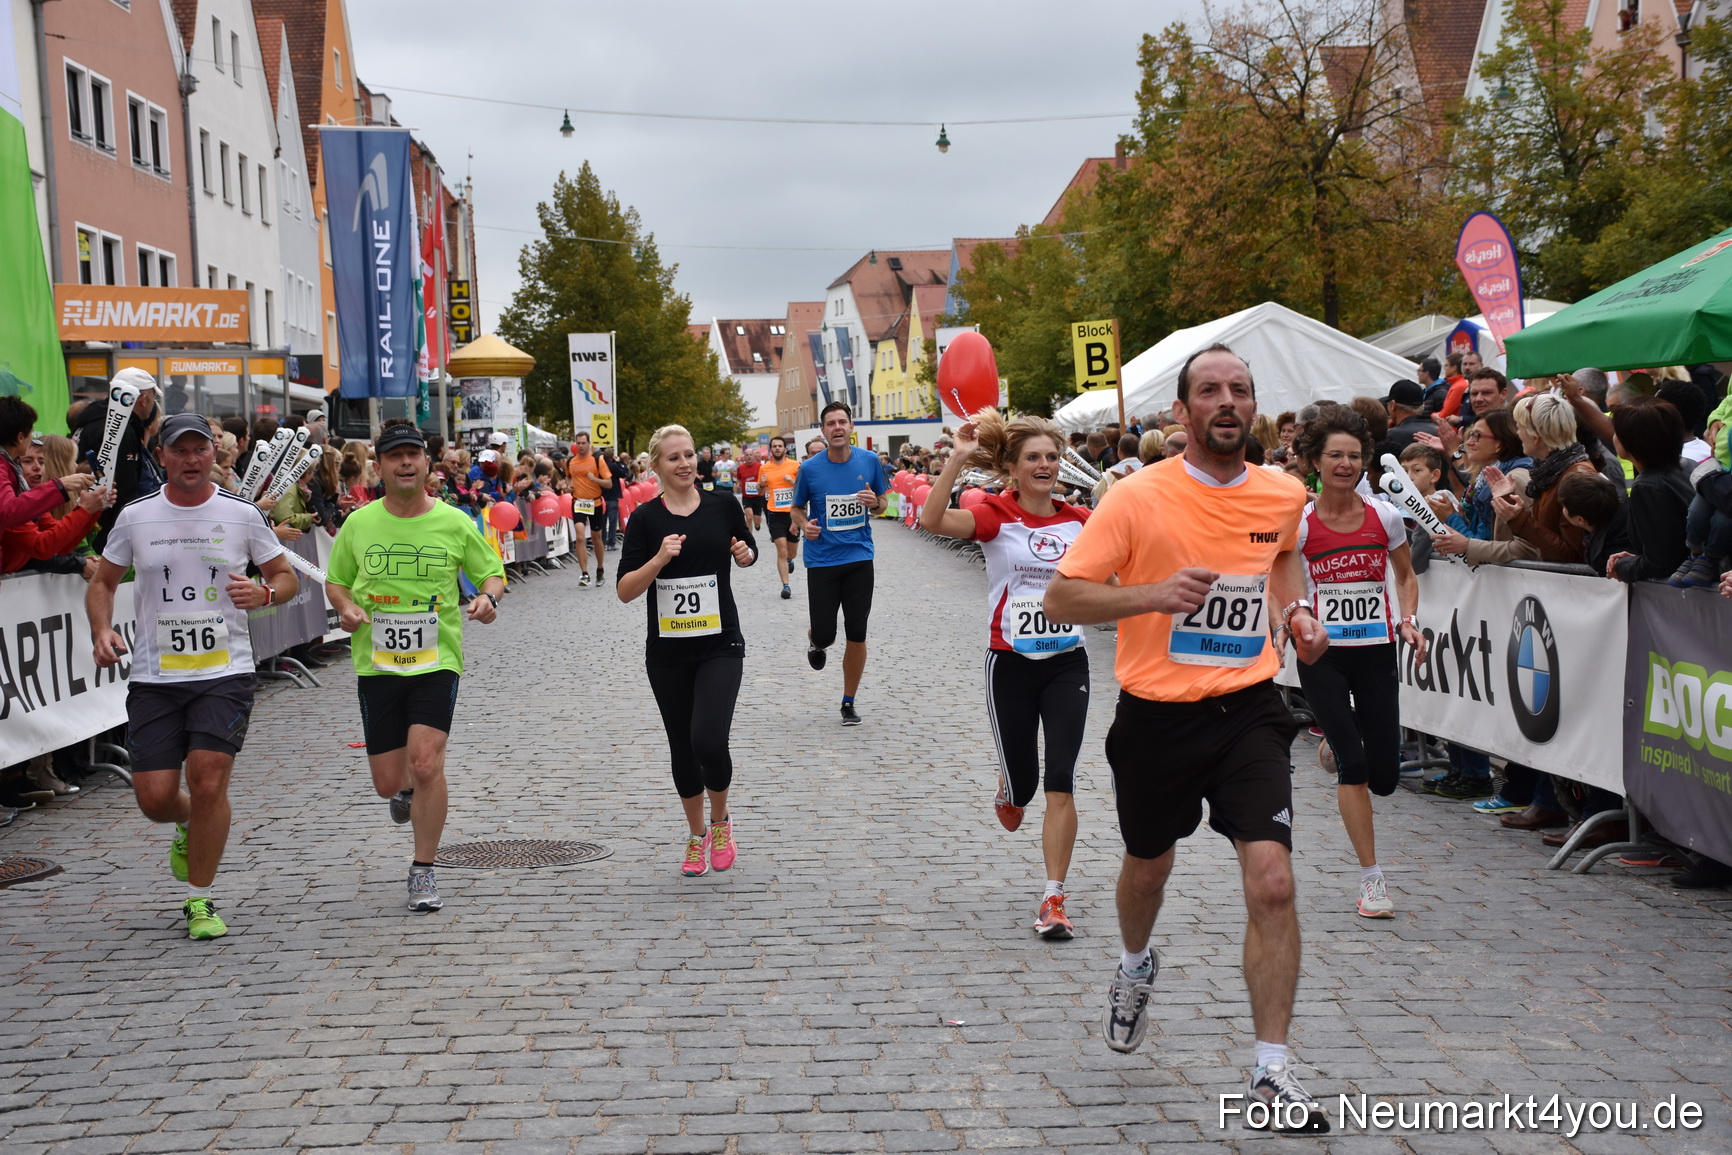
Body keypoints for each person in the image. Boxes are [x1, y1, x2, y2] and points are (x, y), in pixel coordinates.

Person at [1043, 342, 1331, 1132]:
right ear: (1183, 410)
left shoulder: (1282, 491)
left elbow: (1284, 561)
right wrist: (1151, 595)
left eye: (1240, 388)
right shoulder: (1136, 498)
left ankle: (1272, 1068)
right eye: (1211, 390)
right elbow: (1064, 596)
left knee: (1273, 882)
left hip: (1249, 708)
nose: (1228, 401)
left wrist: (1296, 611)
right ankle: (1135, 964)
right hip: (1156, 717)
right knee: (1148, 868)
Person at [85, 412, 294, 940]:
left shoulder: (242, 514)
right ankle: (187, 823)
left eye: (201, 449)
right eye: (180, 450)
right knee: (154, 797)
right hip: (156, 675)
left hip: (224, 672)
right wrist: (101, 629)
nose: (192, 459)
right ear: (163, 457)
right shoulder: (135, 517)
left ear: (214, 455)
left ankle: (199, 898)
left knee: (206, 781)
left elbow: (285, 578)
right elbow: (104, 581)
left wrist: (265, 594)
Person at [920, 409, 1091, 939]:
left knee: (1061, 779)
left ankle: (1054, 898)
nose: (1045, 465)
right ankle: (1009, 786)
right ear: (1013, 468)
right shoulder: (995, 514)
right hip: (1010, 664)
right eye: (1033, 458)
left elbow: (1116, 571)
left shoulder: (1081, 521)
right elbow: (931, 521)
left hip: (1067, 661)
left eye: (1052, 456)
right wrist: (958, 458)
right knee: (1025, 787)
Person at [325, 420, 506, 913]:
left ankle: (423, 869)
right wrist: (344, 607)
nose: (405, 462)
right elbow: (336, 581)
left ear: (427, 464)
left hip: (436, 658)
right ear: (378, 465)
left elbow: (491, 572)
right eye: (395, 456)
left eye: (413, 455)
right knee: (390, 781)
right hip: (377, 662)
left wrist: (488, 599)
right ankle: (403, 789)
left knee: (427, 761)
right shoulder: (360, 524)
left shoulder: (453, 521)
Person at [1291, 408, 1425, 918]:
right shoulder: (1300, 525)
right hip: (1323, 655)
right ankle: (1372, 880)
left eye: (1353, 455)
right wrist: (1294, 618)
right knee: (1356, 764)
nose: (1345, 464)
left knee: (1386, 777)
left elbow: (1406, 575)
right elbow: (1283, 580)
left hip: (1374, 651)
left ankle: (1337, 745)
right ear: (1315, 463)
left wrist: (1408, 619)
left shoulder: (1385, 516)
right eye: (1334, 456)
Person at [617, 423, 757, 876]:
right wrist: (658, 559)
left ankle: (721, 821)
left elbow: (746, 546)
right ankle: (696, 836)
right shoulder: (645, 519)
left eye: (690, 455)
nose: (684, 463)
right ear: (656, 465)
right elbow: (624, 590)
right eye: (674, 457)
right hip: (669, 651)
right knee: (682, 747)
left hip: (720, 643)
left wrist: (745, 555)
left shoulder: (722, 505)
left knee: (709, 740)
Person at [791, 403, 888, 726]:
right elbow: (796, 508)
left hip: (860, 557)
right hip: (821, 561)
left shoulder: (870, 461)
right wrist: (805, 525)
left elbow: (884, 502)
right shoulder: (810, 469)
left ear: (851, 426)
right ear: (823, 430)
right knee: (825, 634)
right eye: (830, 423)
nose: (837, 427)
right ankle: (815, 639)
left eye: (842, 422)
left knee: (856, 632)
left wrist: (875, 504)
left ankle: (848, 702)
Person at [1, 397, 99, 572]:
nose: (37, 468)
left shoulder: (19, 483)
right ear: (20, 437)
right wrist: (59, 487)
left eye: (41, 461)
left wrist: (91, 509)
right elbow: (41, 546)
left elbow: (61, 545)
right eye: (28, 461)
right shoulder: (15, 487)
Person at [72, 367, 161, 549]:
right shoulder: (120, 428)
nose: (152, 406)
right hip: (107, 531)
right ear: (143, 400)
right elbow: (124, 486)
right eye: (153, 400)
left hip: (86, 520)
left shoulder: (92, 420)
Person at [564, 432, 612, 587]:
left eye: (583, 443)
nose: (580, 446)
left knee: (596, 537)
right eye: (578, 443)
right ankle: (584, 573)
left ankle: (600, 569)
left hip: (595, 503)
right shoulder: (570, 461)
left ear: (589, 443)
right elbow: (568, 478)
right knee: (579, 536)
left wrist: (595, 479)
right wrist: (568, 486)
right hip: (578, 502)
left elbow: (609, 483)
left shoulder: (598, 460)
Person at [759, 435, 802, 599]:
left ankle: (790, 560)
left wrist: (792, 481)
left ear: (785, 449)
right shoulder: (765, 468)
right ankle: (786, 585)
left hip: (793, 513)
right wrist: (762, 484)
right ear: (771, 449)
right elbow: (760, 492)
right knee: (781, 551)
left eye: (780, 446)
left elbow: (802, 490)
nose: (777, 448)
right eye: (774, 446)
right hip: (774, 513)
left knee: (792, 553)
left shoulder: (795, 465)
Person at [736, 447, 764, 533]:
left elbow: (764, 478)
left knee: (757, 520)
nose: (749, 457)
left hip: (758, 496)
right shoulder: (740, 467)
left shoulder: (760, 467)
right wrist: (738, 484)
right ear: (744, 457)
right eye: (747, 455)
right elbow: (738, 479)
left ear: (754, 456)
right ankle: (749, 537)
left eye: (751, 455)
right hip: (746, 496)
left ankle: (757, 524)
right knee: (749, 516)